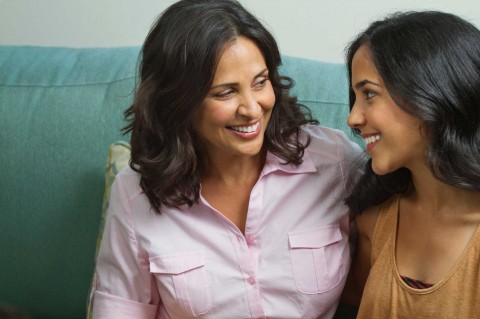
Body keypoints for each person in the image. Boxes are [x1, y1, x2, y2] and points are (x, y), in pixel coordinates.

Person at [90, 0, 360, 318]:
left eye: (260, 82)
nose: (251, 108)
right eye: (225, 92)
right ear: (179, 102)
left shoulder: (336, 163)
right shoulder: (135, 194)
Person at [341, 10, 480, 318]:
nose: (353, 118)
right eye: (355, 97)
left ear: (433, 91)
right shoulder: (374, 223)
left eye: (369, 94)